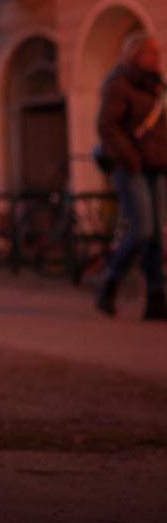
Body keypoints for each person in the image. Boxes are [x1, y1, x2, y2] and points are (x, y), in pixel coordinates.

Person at [95, 30, 167, 319]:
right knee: (142, 230)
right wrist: (131, 159)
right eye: (151, 52)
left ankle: (156, 298)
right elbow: (107, 126)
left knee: (156, 237)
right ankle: (110, 282)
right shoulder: (120, 84)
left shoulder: (157, 88)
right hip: (132, 167)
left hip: (159, 167)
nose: (157, 57)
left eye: (158, 52)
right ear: (136, 54)